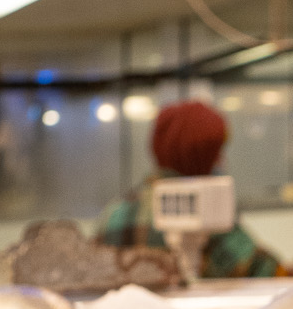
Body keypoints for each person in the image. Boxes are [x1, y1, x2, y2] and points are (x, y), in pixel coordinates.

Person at [96, 100, 283, 279]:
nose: (221, 159)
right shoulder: (207, 212)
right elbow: (264, 271)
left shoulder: (115, 213)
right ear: (206, 156)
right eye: (216, 152)